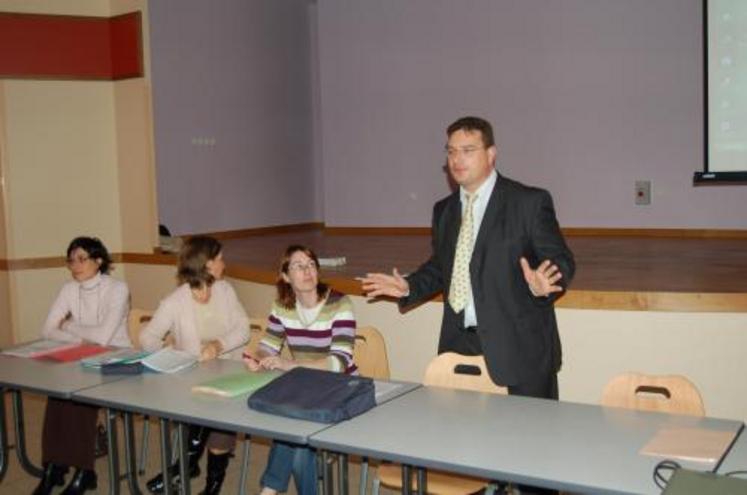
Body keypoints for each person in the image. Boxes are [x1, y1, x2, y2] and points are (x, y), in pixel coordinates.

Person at [360, 116, 574, 494]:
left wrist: (546, 284)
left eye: (468, 150)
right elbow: (443, 268)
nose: (457, 159)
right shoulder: (445, 209)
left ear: (491, 154)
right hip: (460, 345)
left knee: (532, 464)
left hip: (520, 349)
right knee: (465, 456)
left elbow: (561, 260)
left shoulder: (529, 201)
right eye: (451, 151)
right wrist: (409, 284)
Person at [140, 236, 250, 495]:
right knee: (206, 403)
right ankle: (188, 468)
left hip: (229, 373)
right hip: (191, 378)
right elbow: (147, 338)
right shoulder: (175, 301)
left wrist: (218, 346)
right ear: (207, 264)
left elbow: (243, 329)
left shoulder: (225, 290)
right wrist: (174, 354)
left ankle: (193, 473)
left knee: (217, 406)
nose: (225, 263)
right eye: (220, 258)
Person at [245, 244, 357, 495]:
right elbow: (267, 346)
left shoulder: (340, 303)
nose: (307, 271)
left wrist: (289, 365)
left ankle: (269, 490)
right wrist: (260, 359)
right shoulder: (282, 307)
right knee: (297, 441)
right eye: (298, 266)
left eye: (311, 265)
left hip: (340, 388)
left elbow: (338, 363)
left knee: (293, 432)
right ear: (285, 276)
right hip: (305, 386)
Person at [34, 236, 131, 495]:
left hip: (117, 360)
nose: (75, 265)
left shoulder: (117, 288)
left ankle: (84, 471)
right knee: (57, 396)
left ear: (98, 261)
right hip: (81, 355)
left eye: (81, 259)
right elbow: (46, 330)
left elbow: (103, 338)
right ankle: (54, 467)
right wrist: (80, 337)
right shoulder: (68, 289)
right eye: (71, 260)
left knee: (79, 396)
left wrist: (67, 326)